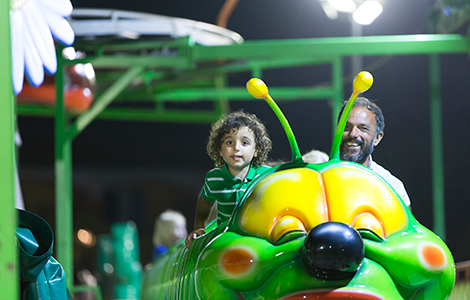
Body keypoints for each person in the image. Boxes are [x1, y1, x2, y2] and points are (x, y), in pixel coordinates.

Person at [185, 110, 272, 247]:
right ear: (220, 149)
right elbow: (204, 202)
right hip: (226, 243)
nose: (236, 148)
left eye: (244, 143)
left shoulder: (266, 176)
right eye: (229, 142)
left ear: (256, 150)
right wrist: (199, 227)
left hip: (259, 241)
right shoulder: (214, 179)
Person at [339, 97, 411, 209]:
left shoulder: (391, 186)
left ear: (377, 138)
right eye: (346, 127)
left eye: (363, 128)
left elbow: (405, 226)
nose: (353, 134)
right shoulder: (319, 176)